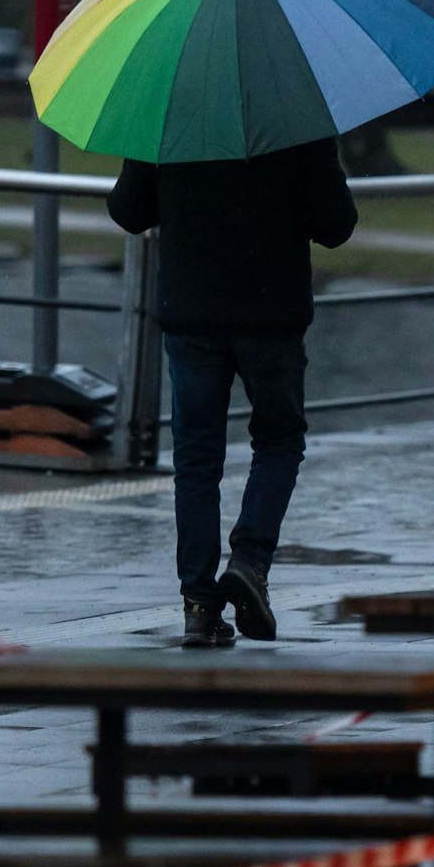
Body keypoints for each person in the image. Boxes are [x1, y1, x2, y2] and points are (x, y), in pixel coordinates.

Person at [108, 138, 357, 648]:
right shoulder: (297, 117)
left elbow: (129, 211)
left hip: (191, 311)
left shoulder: (166, 118)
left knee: (196, 459)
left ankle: (199, 606)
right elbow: (337, 225)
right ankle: (250, 562)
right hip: (272, 316)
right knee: (279, 441)